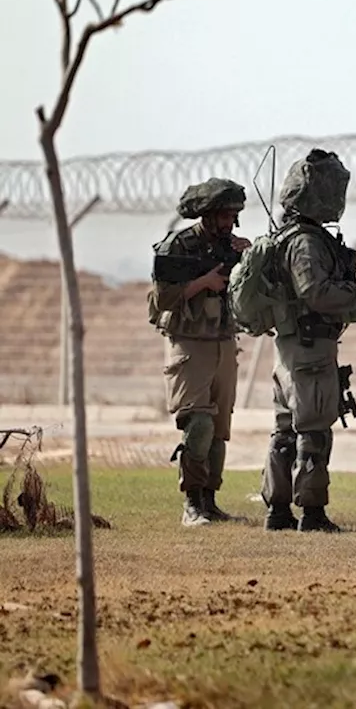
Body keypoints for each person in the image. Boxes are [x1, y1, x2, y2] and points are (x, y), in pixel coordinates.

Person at [260, 149, 356, 533]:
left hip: (293, 346)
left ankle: (278, 511)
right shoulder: (306, 242)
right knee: (312, 432)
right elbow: (316, 292)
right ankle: (310, 513)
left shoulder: (290, 236)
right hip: (309, 348)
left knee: (286, 430)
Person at [148, 178, 250, 526]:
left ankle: (210, 501)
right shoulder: (180, 245)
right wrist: (204, 283)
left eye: (234, 215)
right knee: (200, 425)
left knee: (220, 428)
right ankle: (191, 504)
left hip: (224, 342)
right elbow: (162, 298)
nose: (229, 222)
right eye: (223, 215)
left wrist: (248, 257)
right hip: (189, 344)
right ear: (207, 214)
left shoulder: (232, 245)